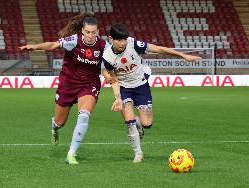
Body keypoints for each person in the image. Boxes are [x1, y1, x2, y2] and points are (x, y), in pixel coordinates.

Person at [102, 23, 201, 163]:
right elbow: (113, 78)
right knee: (128, 122)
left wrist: (183, 55)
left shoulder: (133, 44)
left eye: (124, 39)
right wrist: (118, 98)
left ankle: (138, 124)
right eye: (119, 40)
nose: (123, 43)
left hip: (141, 84)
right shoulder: (107, 57)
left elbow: (159, 49)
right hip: (124, 87)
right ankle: (138, 153)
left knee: (147, 123)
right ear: (111, 39)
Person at [20, 13, 109, 165]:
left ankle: (71, 154)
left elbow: (111, 63)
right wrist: (35, 47)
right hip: (68, 84)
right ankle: (54, 127)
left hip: (89, 84)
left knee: (84, 115)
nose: (90, 35)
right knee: (60, 122)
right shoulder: (74, 40)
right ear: (82, 30)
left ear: (98, 31)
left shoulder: (103, 46)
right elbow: (53, 45)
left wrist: (110, 74)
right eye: (87, 32)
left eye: (94, 32)